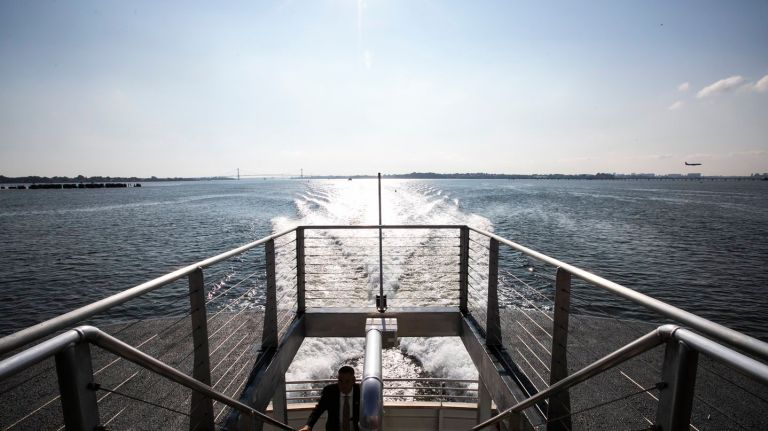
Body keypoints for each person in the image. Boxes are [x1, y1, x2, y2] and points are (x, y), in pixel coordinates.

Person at [299, 366, 360, 431]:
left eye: (347, 381)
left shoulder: (361, 391)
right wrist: (308, 426)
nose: (343, 385)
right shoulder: (330, 391)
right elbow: (318, 411)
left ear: (353, 380)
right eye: (340, 381)